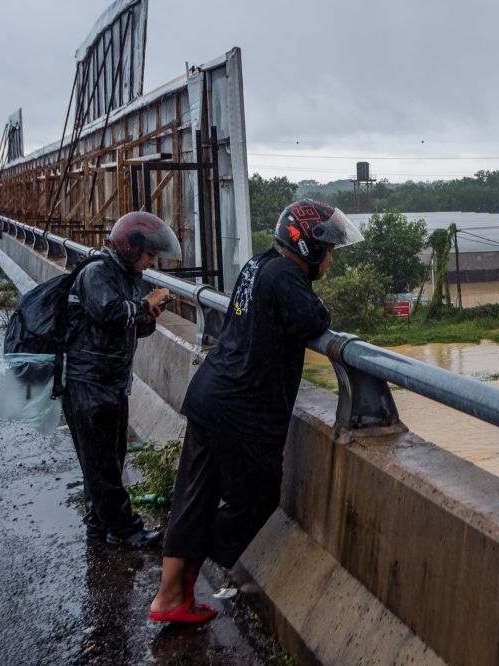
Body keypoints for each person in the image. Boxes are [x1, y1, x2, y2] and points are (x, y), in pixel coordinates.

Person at [149, 200, 363, 623]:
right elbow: (314, 319)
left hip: (211, 392)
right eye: (330, 250)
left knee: (194, 495)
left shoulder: (258, 264)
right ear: (309, 247)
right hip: (241, 409)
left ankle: (171, 597)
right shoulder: (285, 274)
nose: (332, 258)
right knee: (260, 498)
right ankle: (199, 555)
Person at [64, 211, 181, 548]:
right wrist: (145, 304)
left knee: (109, 459)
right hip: (88, 381)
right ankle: (124, 529)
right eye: (147, 255)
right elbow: (110, 312)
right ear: (131, 248)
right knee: (101, 463)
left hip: (111, 381)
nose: (149, 263)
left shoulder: (124, 276)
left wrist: (149, 315)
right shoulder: (97, 272)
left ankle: (99, 523)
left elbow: (130, 324)